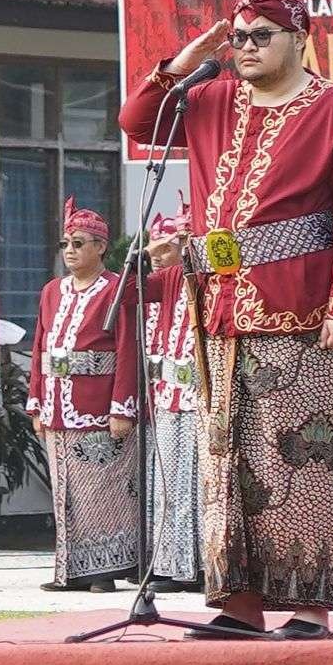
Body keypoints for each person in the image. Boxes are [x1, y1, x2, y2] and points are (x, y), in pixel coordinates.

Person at [118, 0, 333, 640]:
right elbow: (137, 120)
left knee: (301, 455)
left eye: (260, 35)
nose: (245, 48)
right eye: (238, 36)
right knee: (226, 457)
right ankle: (237, 602)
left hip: (300, 308)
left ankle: (309, 605)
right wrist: (185, 61)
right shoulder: (207, 100)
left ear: (300, 37)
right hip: (221, 312)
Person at [28, 197, 140, 594]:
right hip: (57, 405)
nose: (70, 251)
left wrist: (122, 406)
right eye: (66, 244)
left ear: (101, 248)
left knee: (100, 490)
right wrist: (36, 401)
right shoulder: (51, 292)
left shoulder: (116, 289)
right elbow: (41, 346)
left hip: (98, 406)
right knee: (65, 493)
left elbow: (128, 350)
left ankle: (103, 571)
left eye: (79, 243)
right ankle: (70, 570)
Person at [144, 199, 203, 594]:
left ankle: (201, 566)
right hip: (168, 395)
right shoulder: (165, 281)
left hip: (203, 394)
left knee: (200, 481)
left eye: (172, 244)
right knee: (167, 480)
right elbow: (127, 289)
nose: (162, 255)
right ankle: (167, 563)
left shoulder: (210, 277)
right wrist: (149, 249)